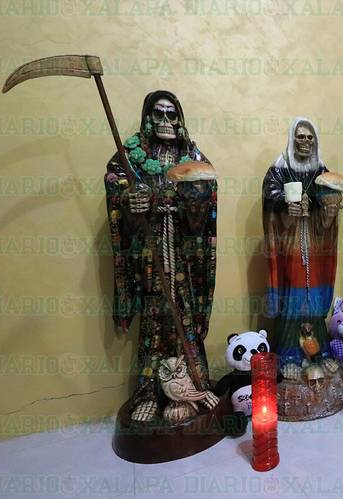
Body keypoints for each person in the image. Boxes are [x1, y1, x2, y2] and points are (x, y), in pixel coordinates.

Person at [104, 90, 218, 422]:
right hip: (151, 255)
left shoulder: (192, 154)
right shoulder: (132, 155)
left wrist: (189, 202)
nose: (166, 121)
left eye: (172, 114)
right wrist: (129, 201)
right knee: (155, 321)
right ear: (148, 117)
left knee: (186, 319)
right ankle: (149, 393)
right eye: (159, 114)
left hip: (184, 256)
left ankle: (196, 384)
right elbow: (116, 181)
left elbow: (208, 189)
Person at [262, 118, 341, 367]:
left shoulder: (320, 169)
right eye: (301, 136)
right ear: (292, 138)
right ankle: (288, 354)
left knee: (314, 292)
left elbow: (330, 196)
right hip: (290, 243)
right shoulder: (279, 168)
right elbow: (269, 195)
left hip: (316, 244)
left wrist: (322, 204)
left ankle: (320, 352)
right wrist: (286, 206)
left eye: (310, 138)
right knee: (294, 293)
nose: (305, 142)